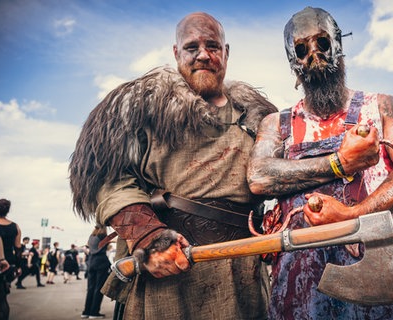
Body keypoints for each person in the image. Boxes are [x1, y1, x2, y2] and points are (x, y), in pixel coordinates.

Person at [68, 12, 277, 320]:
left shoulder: (259, 119)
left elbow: (281, 180)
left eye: (212, 46)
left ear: (226, 52)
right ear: (176, 53)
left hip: (243, 275)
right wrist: (147, 236)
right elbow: (105, 179)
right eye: (192, 47)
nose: (203, 55)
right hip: (168, 272)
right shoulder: (143, 109)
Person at [247, 7, 393, 319]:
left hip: (378, 277)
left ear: (339, 45)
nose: (314, 56)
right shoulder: (276, 124)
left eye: (322, 43)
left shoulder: (383, 107)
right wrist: (339, 163)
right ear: (292, 64)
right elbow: (259, 177)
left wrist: (352, 215)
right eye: (301, 49)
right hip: (297, 283)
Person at [0, 199, 20, 320]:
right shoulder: (15, 227)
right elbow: (18, 247)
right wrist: (18, 266)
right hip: (7, 264)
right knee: (2, 298)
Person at [82, 225, 111, 319]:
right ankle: (94, 312)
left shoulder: (91, 237)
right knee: (98, 288)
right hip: (101, 262)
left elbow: (88, 247)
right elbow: (113, 239)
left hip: (91, 262)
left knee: (90, 288)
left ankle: (86, 311)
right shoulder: (103, 236)